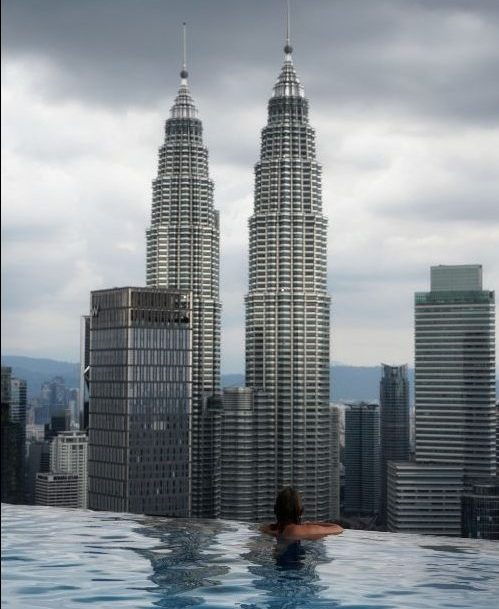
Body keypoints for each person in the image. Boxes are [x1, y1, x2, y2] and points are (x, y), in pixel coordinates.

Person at [261, 487, 343, 540]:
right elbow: (338, 528)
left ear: (275, 509)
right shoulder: (297, 530)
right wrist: (309, 524)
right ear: (301, 511)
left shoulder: (267, 529)